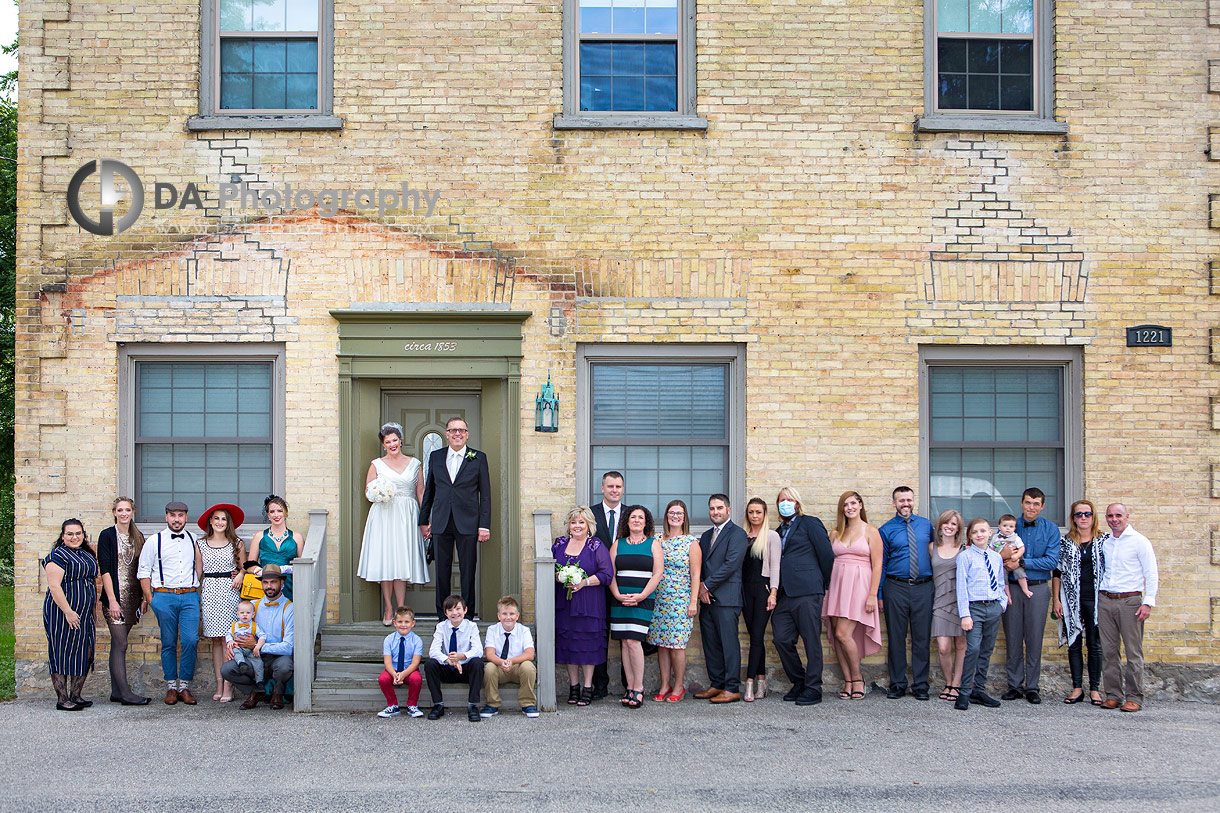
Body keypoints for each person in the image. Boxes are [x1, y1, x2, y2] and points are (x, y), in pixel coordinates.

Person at [419, 416, 492, 617]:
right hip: (441, 522)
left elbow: (485, 495)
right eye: (453, 430)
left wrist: (484, 525)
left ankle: (467, 615)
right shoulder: (435, 456)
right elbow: (429, 492)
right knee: (442, 572)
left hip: (468, 523)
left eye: (461, 430)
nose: (457, 434)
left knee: (468, 572)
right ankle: (442, 616)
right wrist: (423, 521)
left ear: (467, 434)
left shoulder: (478, 458)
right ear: (447, 434)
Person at [769, 486, 835, 706]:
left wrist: (821, 584)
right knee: (781, 638)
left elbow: (826, 555)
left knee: (811, 640)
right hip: (784, 593)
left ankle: (814, 688)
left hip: (808, 590)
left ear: (797, 503)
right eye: (781, 500)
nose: (785, 503)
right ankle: (799, 681)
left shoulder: (810, 523)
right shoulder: (778, 531)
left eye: (789, 499)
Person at [357, 422, 428, 625]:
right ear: (384, 444)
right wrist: (379, 493)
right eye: (387, 442)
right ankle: (388, 608)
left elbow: (420, 492)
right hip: (384, 515)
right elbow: (368, 492)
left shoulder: (415, 463)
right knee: (386, 560)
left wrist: (425, 519)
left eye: (395, 440)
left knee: (401, 560)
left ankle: (401, 608)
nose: (392, 444)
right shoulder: (376, 464)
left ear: (401, 440)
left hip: (407, 515)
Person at [137, 501, 203, 705]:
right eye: (173, 515)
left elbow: (200, 566)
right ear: (166, 517)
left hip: (190, 595)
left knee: (191, 640)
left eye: (181, 515)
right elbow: (143, 572)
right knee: (168, 642)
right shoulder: (154, 541)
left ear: (186, 517)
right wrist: (151, 600)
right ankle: (171, 687)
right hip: (164, 596)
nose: (177, 519)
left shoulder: (194, 539)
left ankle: (184, 686)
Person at [1001, 487, 1061, 705]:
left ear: (1042, 506)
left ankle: (1032, 687)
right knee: (1013, 636)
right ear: (1022, 503)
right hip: (1013, 586)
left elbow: (1052, 561)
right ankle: (1014, 685)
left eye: (1036, 504)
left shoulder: (1051, 529)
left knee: (1035, 638)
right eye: (1028, 502)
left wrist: (1023, 562)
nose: (1031, 507)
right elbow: (998, 552)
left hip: (1039, 587)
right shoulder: (1009, 527)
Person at [1097, 503, 1159, 712]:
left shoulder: (1140, 542)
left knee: (1133, 652)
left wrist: (1148, 602)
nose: (1114, 519)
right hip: (1105, 600)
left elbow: (1151, 573)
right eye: (1110, 516)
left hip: (1130, 601)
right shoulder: (1105, 543)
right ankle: (1113, 694)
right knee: (1109, 651)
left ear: (1126, 516)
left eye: (1118, 515)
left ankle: (1134, 697)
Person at [823, 491, 883, 702]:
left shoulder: (871, 532)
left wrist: (872, 595)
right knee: (837, 635)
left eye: (853, 503)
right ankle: (848, 680)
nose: (849, 507)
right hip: (837, 586)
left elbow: (877, 566)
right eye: (845, 504)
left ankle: (858, 679)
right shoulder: (835, 533)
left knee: (842, 633)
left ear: (860, 505)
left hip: (860, 587)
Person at [878, 486, 935, 700]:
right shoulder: (886, 529)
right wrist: (880, 594)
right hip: (896, 587)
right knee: (896, 637)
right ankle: (898, 684)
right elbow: (882, 564)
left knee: (922, 637)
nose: (906, 504)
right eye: (901, 500)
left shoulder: (926, 525)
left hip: (923, 587)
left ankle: (920, 685)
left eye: (909, 500)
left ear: (914, 501)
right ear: (894, 503)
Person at [552, 506, 613, 707]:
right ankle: (573, 686)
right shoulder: (559, 544)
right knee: (569, 643)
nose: (577, 526)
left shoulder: (595, 545)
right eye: (573, 522)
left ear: (589, 526)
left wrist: (583, 582)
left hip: (589, 605)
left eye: (581, 522)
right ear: (569, 526)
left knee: (587, 645)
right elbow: (548, 569)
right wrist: (559, 577)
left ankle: (588, 687)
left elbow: (606, 574)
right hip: (565, 604)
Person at [96, 497, 150, 705]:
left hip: (133, 598)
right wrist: (112, 600)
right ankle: (125, 694)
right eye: (120, 510)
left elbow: (143, 569)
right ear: (114, 513)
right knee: (121, 642)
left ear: (133, 512)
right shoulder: (107, 535)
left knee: (118, 646)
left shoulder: (138, 536)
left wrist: (145, 597)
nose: (124, 513)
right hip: (115, 598)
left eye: (127, 510)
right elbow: (106, 569)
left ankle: (116, 692)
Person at [608, 505, 663, 709]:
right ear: (627, 521)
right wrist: (616, 594)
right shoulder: (618, 544)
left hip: (642, 599)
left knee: (634, 641)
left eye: (641, 517)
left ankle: (639, 688)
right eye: (633, 517)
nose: (637, 520)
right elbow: (610, 572)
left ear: (646, 522)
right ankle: (629, 687)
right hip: (620, 599)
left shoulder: (653, 544)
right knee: (624, 642)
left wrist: (641, 596)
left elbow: (657, 573)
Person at [646, 500, 702, 702]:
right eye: (672, 512)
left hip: (681, 600)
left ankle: (678, 686)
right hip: (659, 599)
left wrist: (693, 602)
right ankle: (664, 684)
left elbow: (696, 575)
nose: (675, 516)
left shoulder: (691, 543)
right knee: (661, 644)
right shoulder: (657, 540)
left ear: (685, 516)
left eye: (679, 513)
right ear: (666, 516)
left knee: (677, 645)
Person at [1052, 500, 1105, 705]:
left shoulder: (1104, 541)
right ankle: (1076, 688)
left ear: (1093, 516)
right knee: (1073, 644)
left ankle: (1095, 689)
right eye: (1078, 514)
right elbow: (1057, 572)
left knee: (1094, 645)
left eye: (1087, 514)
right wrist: (1056, 600)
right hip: (1071, 599)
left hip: (1096, 599)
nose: (1083, 518)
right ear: (1073, 518)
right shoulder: (1065, 542)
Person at [953, 517, 1008, 711]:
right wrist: (965, 614)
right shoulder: (965, 557)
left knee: (986, 650)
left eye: (983, 531)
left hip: (993, 607)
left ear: (990, 533)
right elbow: (961, 587)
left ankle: (979, 690)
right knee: (973, 648)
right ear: (970, 536)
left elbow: (1000, 582)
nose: (979, 535)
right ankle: (964, 692)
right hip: (974, 609)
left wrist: (1001, 604)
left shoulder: (996, 557)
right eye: (975, 532)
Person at [43, 519, 99, 711]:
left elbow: (91, 582)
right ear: (62, 536)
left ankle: (76, 695)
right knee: (62, 652)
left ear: (83, 534)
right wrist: (68, 611)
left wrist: (92, 610)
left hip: (84, 613)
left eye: (78, 533)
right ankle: (62, 699)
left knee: (84, 651)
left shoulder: (87, 554)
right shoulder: (57, 556)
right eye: (70, 534)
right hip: (62, 613)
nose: (74, 537)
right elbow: (54, 586)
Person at [221, 564, 294, 710]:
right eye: (265, 582)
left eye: (273, 582)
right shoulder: (252, 606)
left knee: (285, 667)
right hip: (254, 657)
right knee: (227, 669)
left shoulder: (289, 608)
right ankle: (256, 691)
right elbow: (237, 629)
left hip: (277, 657)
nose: (269, 586)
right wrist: (232, 645)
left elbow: (288, 647)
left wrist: (256, 646)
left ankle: (277, 692)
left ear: (282, 583)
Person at [196, 502, 245, 702]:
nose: (220, 522)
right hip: (210, 592)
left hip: (230, 592)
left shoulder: (237, 543)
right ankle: (218, 681)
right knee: (216, 640)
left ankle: (228, 684)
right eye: (216, 518)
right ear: (210, 521)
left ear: (228, 523)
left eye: (224, 519)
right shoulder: (200, 544)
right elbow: (198, 572)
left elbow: (244, 567)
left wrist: (240, 574)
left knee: (228, 640)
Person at [589, 471, 625, 700]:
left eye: (618, 486)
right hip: (597, 585)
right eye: (610, 486)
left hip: (625, 583)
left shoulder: (632, 515)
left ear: (623, 489)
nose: (614, 490)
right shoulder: (591, 514)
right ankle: (599, 685)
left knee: (626, 636)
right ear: (602, 488)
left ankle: (628, 683)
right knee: (599, 634)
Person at [742, 497, 780, 702]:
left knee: (757, 636)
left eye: (758, 512)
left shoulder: (771, 536)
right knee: (755, 637)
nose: (754, 516)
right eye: (751, 512)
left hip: (763, 590)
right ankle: (762, 682)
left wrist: (773, 593)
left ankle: (749, 684)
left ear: (764, 514)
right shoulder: (743, 536)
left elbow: (775, 566)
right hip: (745, 592)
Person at [425, 595, 485, 722]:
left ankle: (473, 705)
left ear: (465, 610)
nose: (455, 613)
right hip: (448, 668)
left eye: (458, 609)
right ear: (445, 613)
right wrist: (448, 660)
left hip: (465, 669)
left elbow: (478, 650)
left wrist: (462, 656)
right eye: (450, 610)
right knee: (430, 664)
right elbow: (433, 651)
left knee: (477, 663)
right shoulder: (441, 627)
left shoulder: (472, 626)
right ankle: (438, 704)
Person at [480, 595, 539, 718]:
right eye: (504, 614)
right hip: (499, 668)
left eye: (512, 614)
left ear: (517, 616)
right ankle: (492, 704)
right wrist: (502, 662)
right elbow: (489, 654)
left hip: (518, 668)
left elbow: (530, 654)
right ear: (499, 616)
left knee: (528, 666)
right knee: (489, 668)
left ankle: (527, 703)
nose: (508, 617)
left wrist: (511, 661)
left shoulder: (524, 631)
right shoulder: (492, 630)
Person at [930, 509, 966, 702]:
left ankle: (957, 684)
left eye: (954, 524)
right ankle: (948, 681)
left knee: (961, 644)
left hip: (960, 602)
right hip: (940, 601)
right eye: (947, 523)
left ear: (958, 528)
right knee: (943, 647)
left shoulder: (964, 548)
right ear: (940, 525)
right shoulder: (932, 547)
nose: (950, 526)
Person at [246, 495, 300, 601]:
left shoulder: (296, 537)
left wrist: (289, 569)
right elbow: (249, 565)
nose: (276, 515)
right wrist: (259, 571)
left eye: (280, 511)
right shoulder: (260, 536)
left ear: (286, 512)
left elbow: (304, 567)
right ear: (268, 515)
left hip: (288, 585)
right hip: (265, 585)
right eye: (272, 511)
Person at [377, 606, 424, 718]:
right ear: (394, 623)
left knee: (416, 679)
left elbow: (415, 663)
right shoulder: (389, 639)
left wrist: (402, 675)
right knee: (382, 679)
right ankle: (393, 705)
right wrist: (394, 674)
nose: (403, 625)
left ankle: (412, 705)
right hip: (393, 670)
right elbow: (387, 662)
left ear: (413, 623)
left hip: (409, 670)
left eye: (407, 622)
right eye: (400, 622)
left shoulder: (417, 640)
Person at [225, 599, 266, 686]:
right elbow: (228, 634)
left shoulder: (255, 626)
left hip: (251, 650)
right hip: (239, 648)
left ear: (253, 614)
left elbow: (262, 636)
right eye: (242, 612)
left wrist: (257, 646)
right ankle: (241, 663)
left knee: (259, 663)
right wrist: (230, 641)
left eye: (248, 613)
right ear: (238, 614)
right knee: (236, 652)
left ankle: (259, 681)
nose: (245, 615)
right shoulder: (234, 625)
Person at [991, 514, 1032, 599]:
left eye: (1011, 526)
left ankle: (1025, 589)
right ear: (999, 527)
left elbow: (1022, 548)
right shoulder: (995, 538)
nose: (1008, 528)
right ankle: (1007, 594)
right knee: (1003, 577)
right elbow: (991, 549)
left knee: (1020, 573)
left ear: (1014, 528)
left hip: (1015, 560)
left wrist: (1017, 555)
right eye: (1005, 525)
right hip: (1001, 562)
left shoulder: (1016, 538)